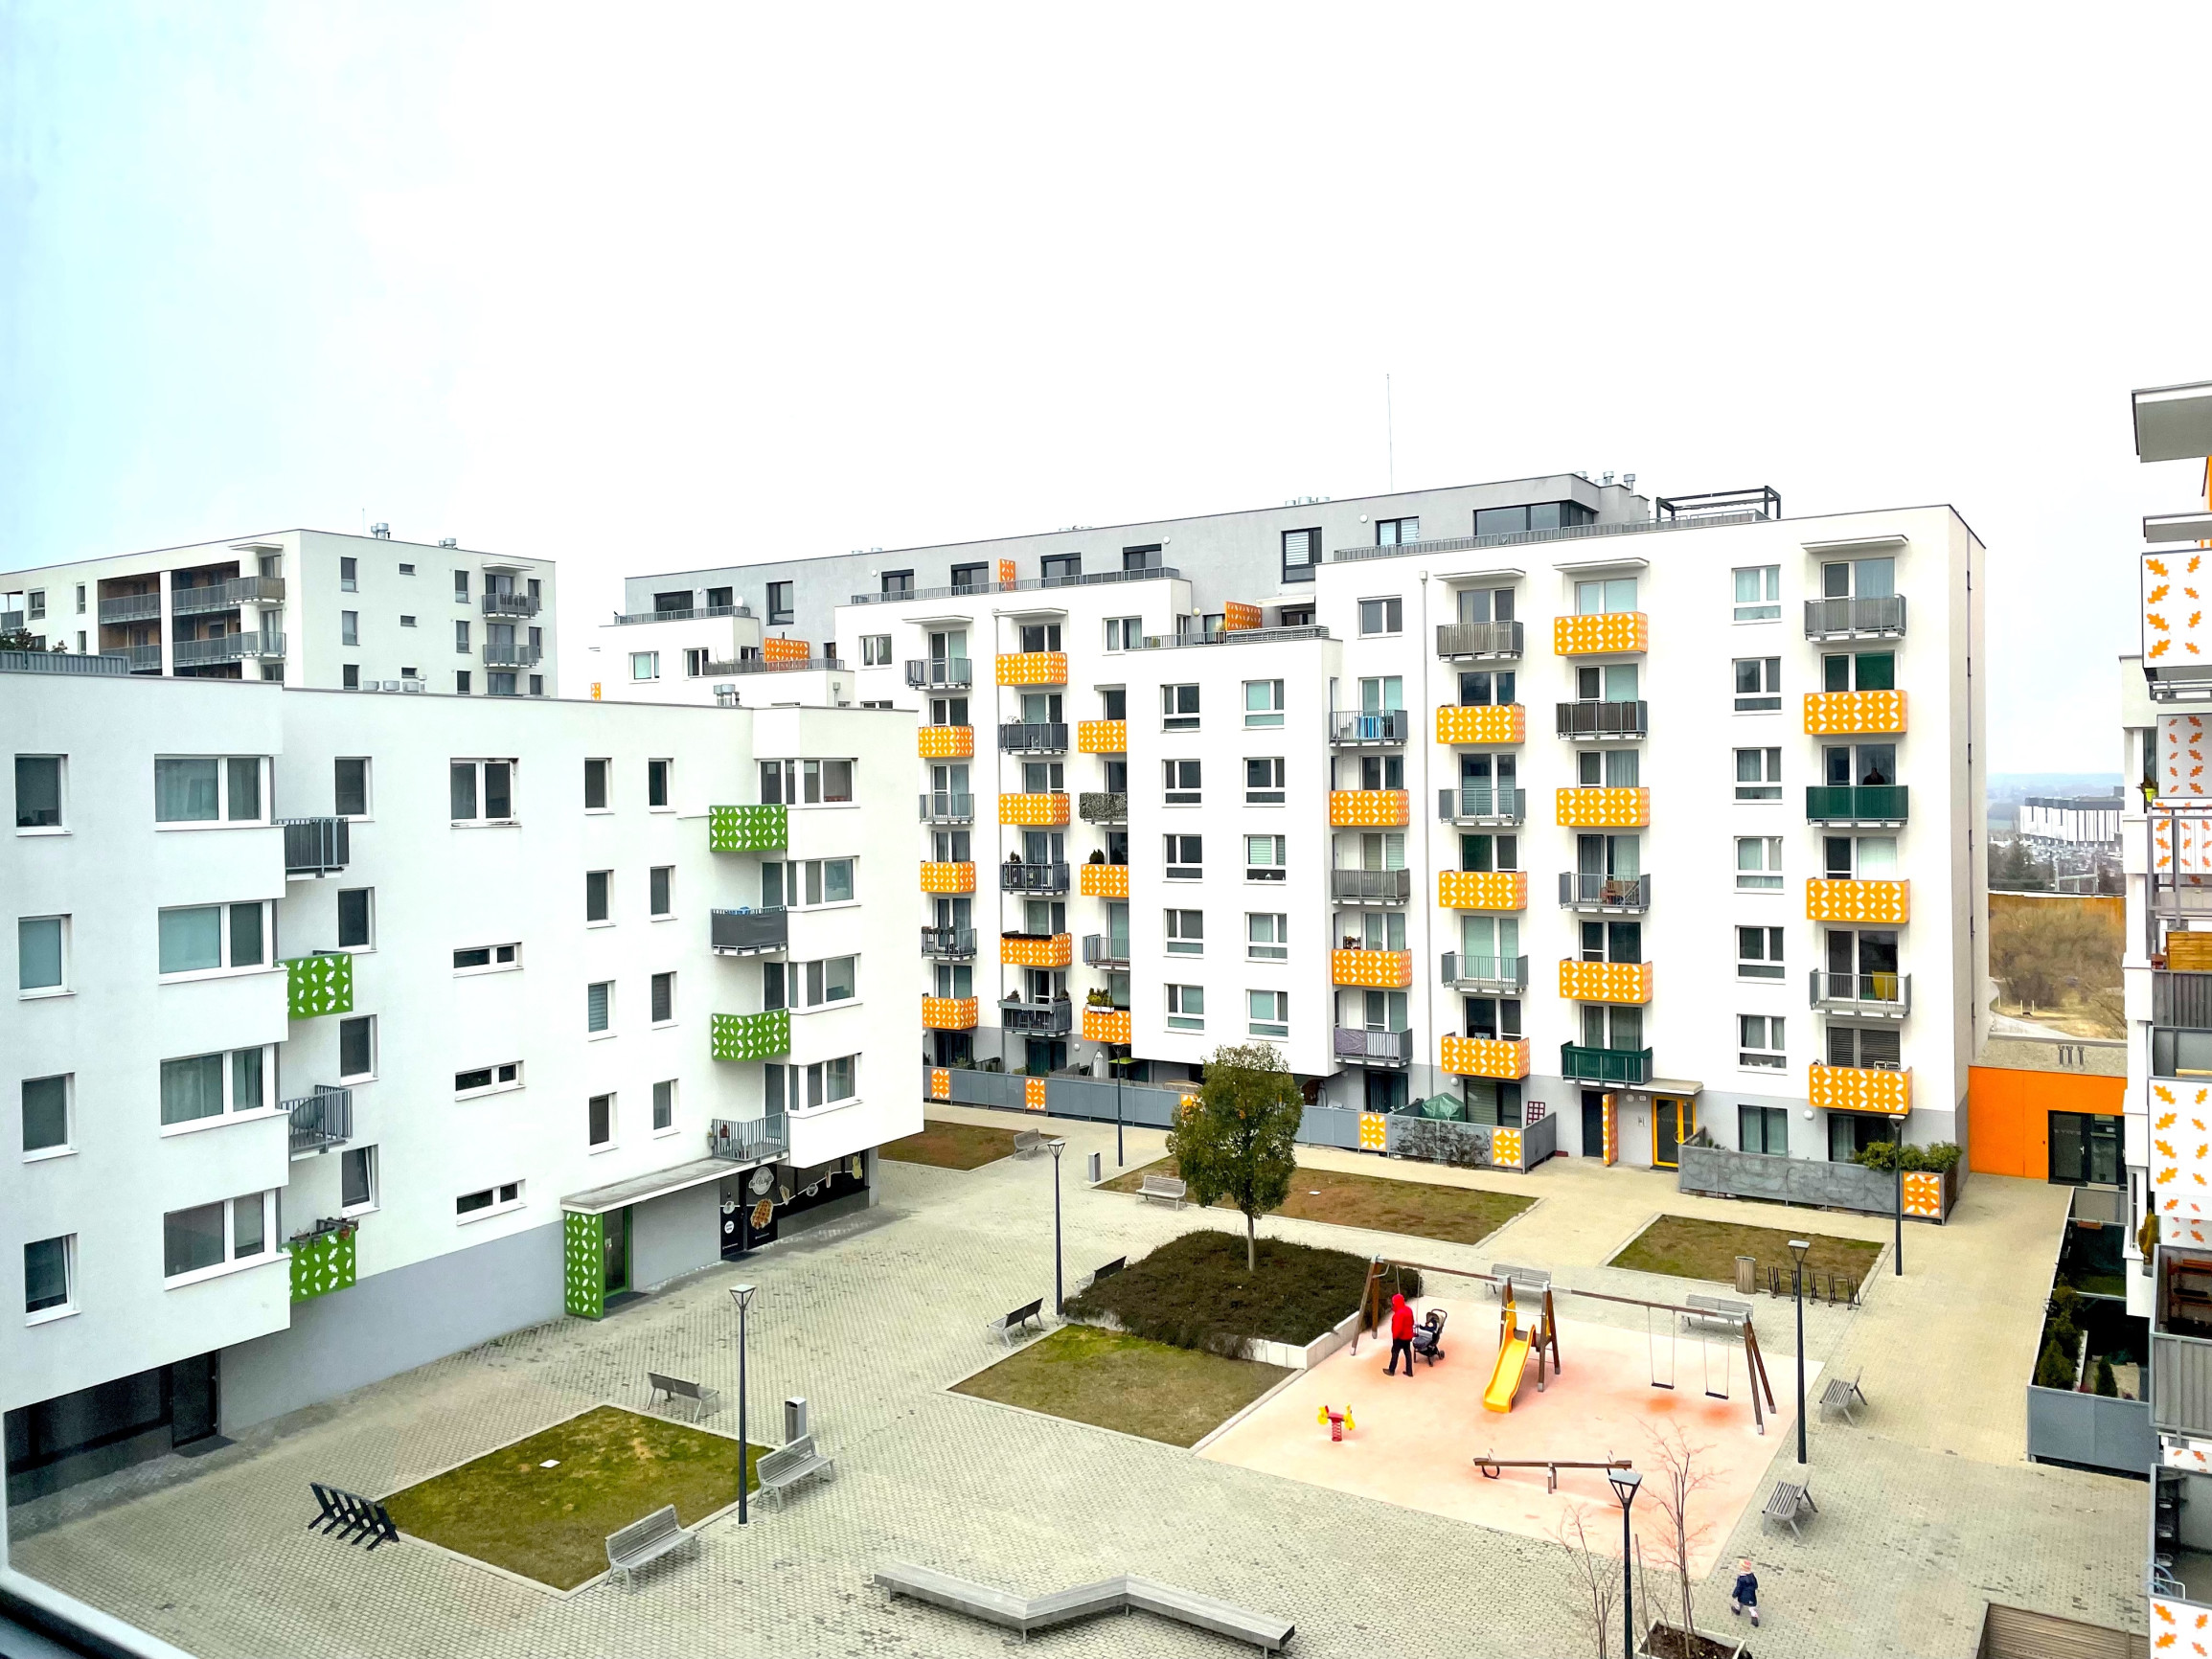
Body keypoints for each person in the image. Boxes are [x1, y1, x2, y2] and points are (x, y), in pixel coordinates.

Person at [1383, 1292, 1416, 1377]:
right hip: (1408, 1336)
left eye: (1393, 1302)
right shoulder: (1408, 1309)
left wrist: (1395, 1337)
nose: (1393, 1304)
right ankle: (1409, 1371)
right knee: (1407, 1353)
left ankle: (1391, 1370)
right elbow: (1412, 1322)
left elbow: (1398, 1328)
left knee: (1395, 1353)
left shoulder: (1399, 1314)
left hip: (1400, 1338)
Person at [1729, 1558, 1759, 1626]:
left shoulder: (1741, 1578)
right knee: (1751, 1608)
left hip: (1743, 1595)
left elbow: (1738, 1588)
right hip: (1751, 1596)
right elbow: (1756, 1585)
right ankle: (1754, 1618)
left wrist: (1735, 1594)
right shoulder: (1752, 1576)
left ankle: (1737, 1610)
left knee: (1739, 1602)